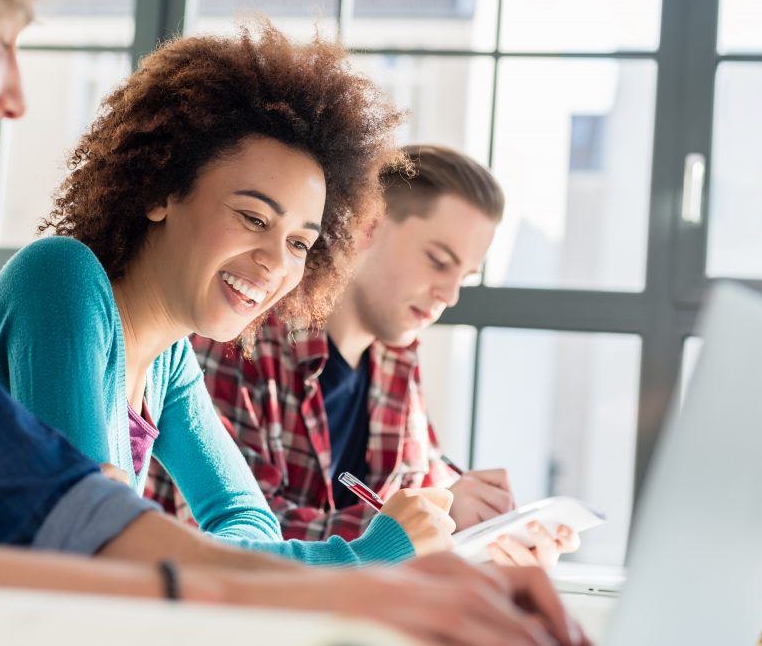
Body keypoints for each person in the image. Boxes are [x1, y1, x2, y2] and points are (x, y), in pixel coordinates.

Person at [0, 0, 587, 643]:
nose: (15, 94)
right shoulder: (63, 282)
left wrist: (366, 587)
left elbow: (65, 507)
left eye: (301, 240)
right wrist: (331, 580)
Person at [0, 22, 461, 568]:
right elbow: (95, 554)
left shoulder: (169, 359)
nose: (275, 262)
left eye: (299, 243)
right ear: (163, 191)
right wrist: (364, 556)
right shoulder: (61, 282)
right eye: (252, 216)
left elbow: (246, 519)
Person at [148, 144, 581, 568]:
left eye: (464, 276)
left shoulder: (399, 358)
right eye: (437, 260)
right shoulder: (238, 334)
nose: (449, 296)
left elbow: (422, 494)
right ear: (368, 227)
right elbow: (239, 540)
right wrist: (417, 529)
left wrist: (487, 531)